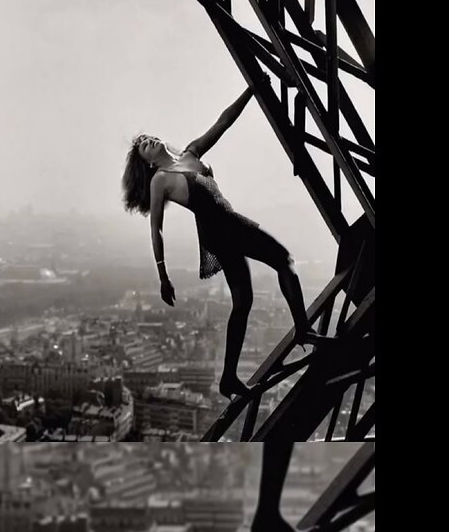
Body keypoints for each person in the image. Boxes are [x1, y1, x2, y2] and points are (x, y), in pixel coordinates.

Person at [121, 80, 330, 400]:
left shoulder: (191, 152)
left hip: (225, 229)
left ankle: (229, 378)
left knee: (243, 301)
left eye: (149, 137)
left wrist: (252, 89)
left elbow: (223, 122)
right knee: (284, 260)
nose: (149, 140)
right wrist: (163, 276)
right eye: (144, 146)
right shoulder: (161, 180)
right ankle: (304, 330)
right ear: (149, 162)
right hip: (223, 231)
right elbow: (156, 230)